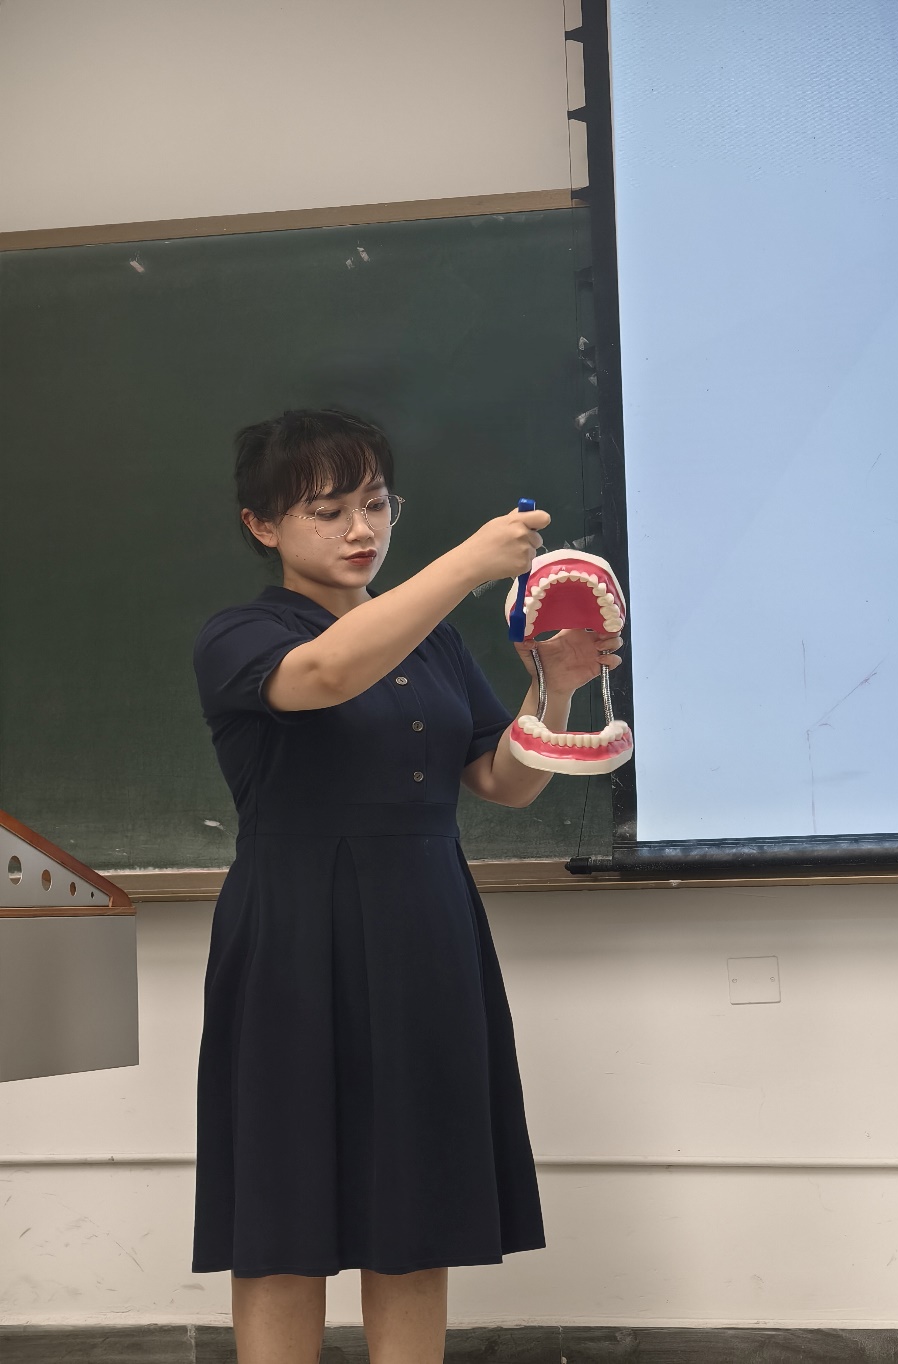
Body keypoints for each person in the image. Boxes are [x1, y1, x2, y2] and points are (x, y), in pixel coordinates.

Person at [190, 409, 623, 1364]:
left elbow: (503, 782)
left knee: (417, 1209)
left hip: (426, 924)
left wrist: (553, 689)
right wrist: (468, 565)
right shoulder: (241, 634)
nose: (361, 530)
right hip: (292, 935)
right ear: (262, 525)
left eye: (376, 505)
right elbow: (324, 673)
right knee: (283, 1212)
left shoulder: (433, 641)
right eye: (328, 511)